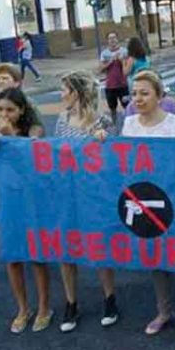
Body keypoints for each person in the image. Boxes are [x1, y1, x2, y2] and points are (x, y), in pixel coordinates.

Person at [121, 70, 175, 341]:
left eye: (144, 93)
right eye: (134, 93)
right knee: (155, 257)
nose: (138, 98)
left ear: (159, 96)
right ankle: (163, 311)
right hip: (144, 199)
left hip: (174, 199)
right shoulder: (129, 123)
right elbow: (121, 160)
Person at [0, 88, 50, 333]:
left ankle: (43, 307)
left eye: (10, 110)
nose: (4, 115)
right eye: (0, 110)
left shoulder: (34, 130)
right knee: (13, 256)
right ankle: (22, 308)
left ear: (21, 110)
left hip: (29, 200)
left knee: (36, 255)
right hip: (1, 199)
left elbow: (35, 164)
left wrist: (12, 139)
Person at [54, 71, 119, 332]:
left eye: (64, 90)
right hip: (67, 191)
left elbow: (115, 159)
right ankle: (71, 303)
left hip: (94, 193)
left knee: (98, 243)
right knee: (65, 248)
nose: (61, 95)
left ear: (77, 93)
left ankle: (110, 297)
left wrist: (104, 141)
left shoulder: (101, 122)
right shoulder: (62, 119)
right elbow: (54, 154)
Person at [0, 63, 43, 136]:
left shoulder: (27, 101)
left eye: (5, 78)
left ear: (16, 83)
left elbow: (36, 128)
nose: (0, 81)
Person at [99, 31, 130, 123]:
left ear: (117, 39)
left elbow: (128, 66)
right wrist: (111, 61)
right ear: (107, 41)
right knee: (112, 108)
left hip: (123, 85)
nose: (112, 40)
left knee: (127, 106)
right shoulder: (104, 53)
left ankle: (129, 123)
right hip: (110, 86)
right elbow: (101, 68)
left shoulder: (124, 51)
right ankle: (114, 125)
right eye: (110, 38)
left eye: (114, 38)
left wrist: (121, 60)